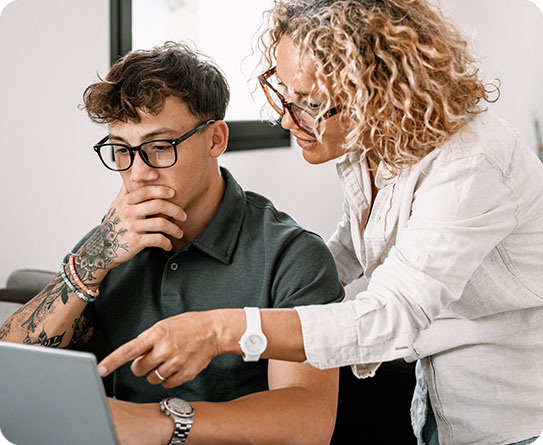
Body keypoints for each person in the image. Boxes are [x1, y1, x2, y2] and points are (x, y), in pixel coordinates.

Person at [96, 1, 543, 444]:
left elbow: (390, 316)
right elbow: (353, 247)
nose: (288, 119)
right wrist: (277, 274)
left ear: (379, 92)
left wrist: (223, 329)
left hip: (510, 411)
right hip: (433, 403)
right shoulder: (373, 143)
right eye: (284, 94)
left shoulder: (471, 164)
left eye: (311, 103)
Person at [0, 41, 345, 444]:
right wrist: (93, 259)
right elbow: (10, 366)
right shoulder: (111, 243)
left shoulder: (293, 255)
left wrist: (158, 422)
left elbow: (309, 422)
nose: (138, 173)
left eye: (159, 147)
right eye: (121, 151)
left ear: (216, 139)